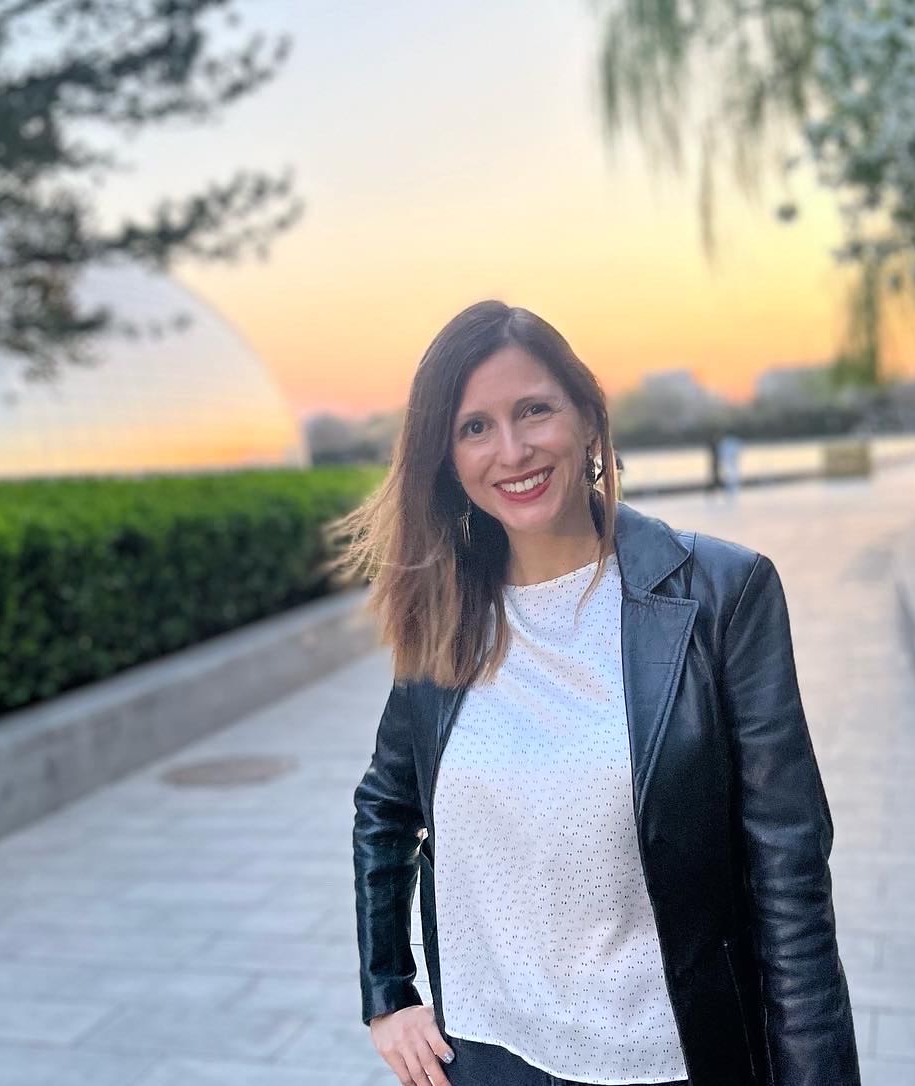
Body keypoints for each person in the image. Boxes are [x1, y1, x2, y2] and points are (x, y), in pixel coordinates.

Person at [324, 300, 859, 1086]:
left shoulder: (721, 596)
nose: (512, 450)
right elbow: (386, 806)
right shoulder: (446, 610)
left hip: (664, 1062)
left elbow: (790, 878)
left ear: (586, 416)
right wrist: (387, 992)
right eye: (474, 427)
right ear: (446, 457)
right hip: (482, 1057)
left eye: (534, 410)